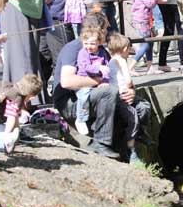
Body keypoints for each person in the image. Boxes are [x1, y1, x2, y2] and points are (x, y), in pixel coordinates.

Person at [53, 12, 148, 159]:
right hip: (73, 103)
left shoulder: (101, 50)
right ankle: (100, 143)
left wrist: (130, 91)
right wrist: (97, 81)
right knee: (108, 92)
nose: (108, 34)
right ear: (98, 30)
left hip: (97, 95)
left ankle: (129, 148)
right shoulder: (74, 48)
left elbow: (115, 75)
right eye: (106, 30)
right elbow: (66, 81)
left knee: (141, 106)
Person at [107, 33, 153, 162]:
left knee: (143, 107)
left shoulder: (111, 61)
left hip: (121, 94)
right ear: (125, 49)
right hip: (123, 96)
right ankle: (131, 148)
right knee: (139, 112)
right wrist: (130, 86)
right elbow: (128, 80)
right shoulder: (121, 60)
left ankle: (141, 133)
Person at [0, 74, 43, 154]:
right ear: (31, 97)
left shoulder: (6, 84)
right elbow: (11, 117)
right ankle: (2, 144)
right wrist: (7, 135)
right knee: (5, 135)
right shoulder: (16, 99)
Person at [127, 0, 163, 76]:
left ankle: (150, 66)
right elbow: (149, 4)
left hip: (143, 19)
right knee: (146, 43)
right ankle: (131, 65)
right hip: (141, 20)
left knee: (149, 43)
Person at [74, 26, 110, 135]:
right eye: (86, 43)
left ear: (99, 42)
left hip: (98, 80)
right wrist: (98, 68)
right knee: (84, 95)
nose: (89, 47)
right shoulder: (83, 53)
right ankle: (80, 119)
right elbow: (85, 66)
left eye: (92, 44)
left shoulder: (103, 52)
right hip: (85, 80)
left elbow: (108, 67)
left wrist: (105, 81)